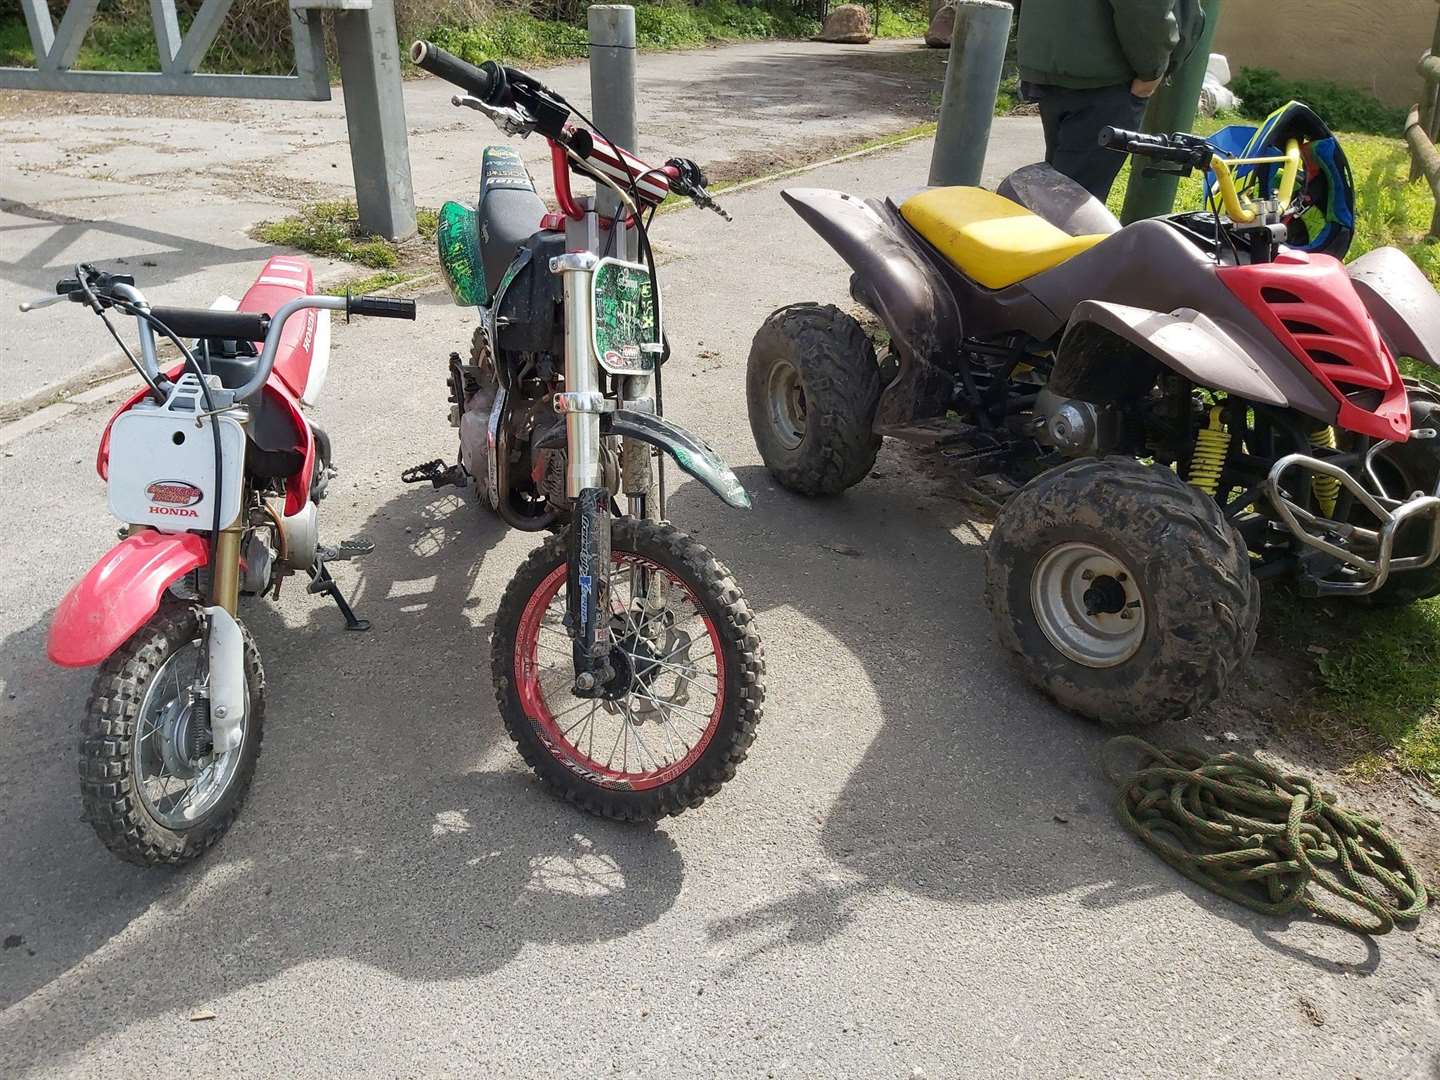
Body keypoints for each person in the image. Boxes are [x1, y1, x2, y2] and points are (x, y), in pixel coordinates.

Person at [1017, 0, 1206, 201]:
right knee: (1072, 204)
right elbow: (1144, 7)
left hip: (1058, 60)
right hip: (1107, 75)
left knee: (1057, 194)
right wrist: (1151, 70)